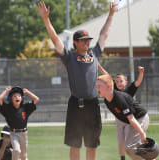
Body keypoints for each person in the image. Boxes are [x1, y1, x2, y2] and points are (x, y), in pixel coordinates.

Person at [37, 1, 118, 159]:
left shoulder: (95, 54)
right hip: (76, 105)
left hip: (92, 105)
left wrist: (111, 15)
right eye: (83, 40)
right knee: (75, 145)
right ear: (75, 42)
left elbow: (103, 35)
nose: (87, 42)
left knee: (91, 144)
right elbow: (55, 40)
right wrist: (46, 19)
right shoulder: (70, 58)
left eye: (88, 40)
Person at [96, 75, 149, 160]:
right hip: (132, 121)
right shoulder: (107, 100)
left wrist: (142, 134)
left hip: (140, 118)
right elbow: (121, 117)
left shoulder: (119, 98)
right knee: (131, 148)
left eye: (99, 86)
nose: (96, 88)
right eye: (96, 86)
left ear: (108, 86)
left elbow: (131, 118)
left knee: (130, 148)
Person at [0, 86, 40, 160]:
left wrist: (27, 92)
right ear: (10, 98)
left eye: (19, 96)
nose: (17, 97)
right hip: (14, 133)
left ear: (22, 98)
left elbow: (36, 99)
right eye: (14, 96)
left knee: (23, 156)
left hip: (23, 133)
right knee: (17, 150)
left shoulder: (25, 107)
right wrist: (6, 91)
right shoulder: (8, 108)